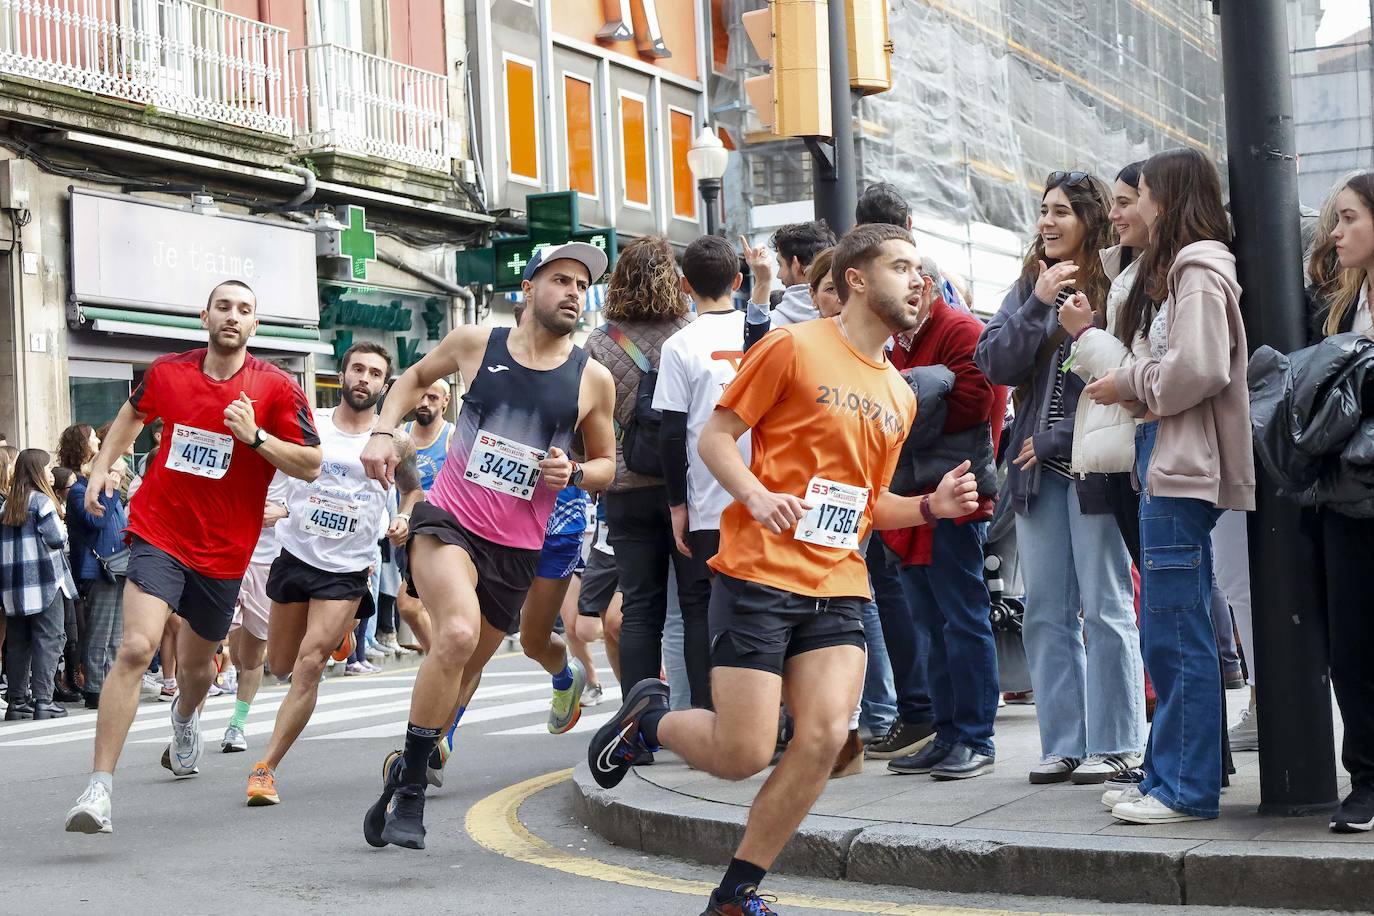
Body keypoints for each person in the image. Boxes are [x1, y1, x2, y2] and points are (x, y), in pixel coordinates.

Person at [588, 223, 980, 915]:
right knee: (743, 751)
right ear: (856, 279)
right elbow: (714, 437)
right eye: (900, 267)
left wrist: (929, 506)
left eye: (920, 270)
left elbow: (870, 503)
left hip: (837, 584)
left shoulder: (899, 393)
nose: (917, 281)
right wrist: (754, 494)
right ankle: (649, 718)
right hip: (760, 573)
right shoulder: (792, 347)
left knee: (825, 737)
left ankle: (736, 893)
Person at [357, 241, 616, 851]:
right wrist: (381, 431)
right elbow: (414, 380)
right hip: (450, 521)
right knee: (455, 634)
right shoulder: (477, 344)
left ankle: (405, 772)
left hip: (518, 548)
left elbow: (608, 463)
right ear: (528, 288)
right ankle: (415, 793)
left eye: (582, 284)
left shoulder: (592, 378)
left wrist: (574, 474)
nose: (573, 292)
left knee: (466, 669)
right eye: (560, 279)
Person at [63, 279, 322, 836]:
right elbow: (133, 415)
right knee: (136, 647)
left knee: (202, 663)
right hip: (160, 530)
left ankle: (185, 718)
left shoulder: (276, 388)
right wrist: (106, 463)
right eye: (223, 307)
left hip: (225, 549)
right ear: (204, 316)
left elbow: (310, 463)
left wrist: (255, 439)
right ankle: (99, 789)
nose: (233, 316)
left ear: (256, 325)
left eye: (245, 310)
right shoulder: (167, 373)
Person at [1084, 147, 1253, 825]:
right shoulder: (1181, 270)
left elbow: (1199, 369)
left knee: (1175, 629)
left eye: (1143, 193)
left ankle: (1184, 790)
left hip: (1182, 461)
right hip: (1167, 454)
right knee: (1166, 626)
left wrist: (1130, 382)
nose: (1134, 205)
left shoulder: (1199, 266)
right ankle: (1166, 779)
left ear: (1169, 198)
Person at [976, 169, 1144, 787]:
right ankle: (1065, 742)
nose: (1047, 222)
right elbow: (995, 361)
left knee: (1105, 604)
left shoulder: (1118, 282)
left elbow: (1124, 377)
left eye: (1062, 212)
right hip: (1033, 475)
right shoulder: (1031, 284)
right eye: (1043, 210)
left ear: (1090, 220)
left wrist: (1058, 436)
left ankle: (1119, 743)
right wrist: (1039, 301)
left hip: (1094, 465)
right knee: (1045, 607)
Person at [244, 342, 421, 806]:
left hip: (347, 568)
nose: (364, 378)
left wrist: (402, 519)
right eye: (357, 369)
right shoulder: (311, 424)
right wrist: (275, 506)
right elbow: (279, 472)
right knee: (279, 664)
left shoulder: (395, 440)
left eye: (375, 373)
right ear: (341, 376)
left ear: (385, 385)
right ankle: (334, 637)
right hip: (297, 555)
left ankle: (265, 769)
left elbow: (413, 493)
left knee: (308, 665)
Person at [883, 254, 1006, 781]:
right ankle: (948, 732)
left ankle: (975, 738)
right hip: (912, 496)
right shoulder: (898, 338)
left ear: (924, 285)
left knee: (963, 618)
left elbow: (978, 403)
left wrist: (906, 395)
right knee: (929, 623)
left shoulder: (959, 328)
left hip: (956, 490)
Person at [586, 237, 708, 710]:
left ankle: (639, 725)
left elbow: (584, 422)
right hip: (686, 486)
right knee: (695, 605)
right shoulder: (692, 331)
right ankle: (701, 716)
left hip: (625, 487)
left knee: (639, 608)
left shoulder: (599, 343)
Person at [654, 233, 751, 711]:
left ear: (684, 284)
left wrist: (678, 505)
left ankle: (717, 715)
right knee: (768, 607)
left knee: (708, 612)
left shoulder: (680, 345)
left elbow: (670, 434)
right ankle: (771, 713)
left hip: (710, 501)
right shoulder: (767, 331)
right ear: (737, 280)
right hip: (768, 494)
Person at [1305, 170, 1374, 832]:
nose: (1336, 231)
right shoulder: (1344, 305)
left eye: (1349, 218)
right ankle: (1366, 778)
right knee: (1350, 644)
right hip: (1347, 495)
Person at [2, 449, 77, 721]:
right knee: (49, 639)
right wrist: (64, 527)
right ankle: (44, 701)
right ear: (36, 471)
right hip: (45, 582)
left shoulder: (7, 505)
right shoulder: (42, 502)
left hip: (14, 588)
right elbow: (57, 540)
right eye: (46, 468)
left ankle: (17, 701)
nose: (50, 472)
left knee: (18, 644)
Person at [220, 473, 290, 753]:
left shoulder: (298, 446)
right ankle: (188, 725)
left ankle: (236, 725)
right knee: (211, 644)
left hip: (268, 561)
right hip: (229, 551)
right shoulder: (237, 435)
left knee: (248, 657)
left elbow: (316, 493)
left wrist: (285, 511)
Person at [64, 429, 130, 711]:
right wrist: (111, 493)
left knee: (116, 633)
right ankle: (94, 688)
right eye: (92, 438)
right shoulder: (81, 491)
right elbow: (97, 522)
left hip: (117, 566)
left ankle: (111, 685)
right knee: (100, 632)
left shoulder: (99, 490)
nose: (117, 475)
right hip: (99, 568)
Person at [391, 379, 455, 655]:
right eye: (421, 396)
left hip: (437, 535)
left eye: (433, 397)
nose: (425, 403)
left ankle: (441, 662)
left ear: (446, 401)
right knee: (421, 608)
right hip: (402, 531)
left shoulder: (452, 436)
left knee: (408, 604)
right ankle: (444, 663)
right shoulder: (400, 435)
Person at [741, 221, 837, 351]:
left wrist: (763, 281)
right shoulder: (851, 320)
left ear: (795, 264)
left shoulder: (772, 328)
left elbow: (752, 355)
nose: (779, 275)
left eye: (780, 264)